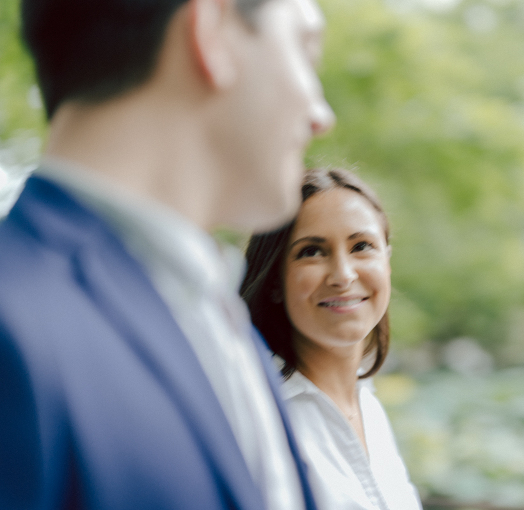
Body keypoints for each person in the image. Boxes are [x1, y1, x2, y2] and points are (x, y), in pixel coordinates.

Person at [0, 0, 335, 508]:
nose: (321, 116)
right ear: (212, 32)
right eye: (304, 48)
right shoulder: (17, 327)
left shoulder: (218, 315)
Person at [240, 168, 423, 510]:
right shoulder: (256, 417)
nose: (343, 275)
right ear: (276, 280)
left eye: (362, 246)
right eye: (312, 251)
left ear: (387, 262)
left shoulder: (369, 405)